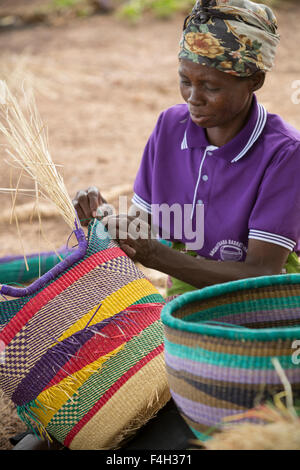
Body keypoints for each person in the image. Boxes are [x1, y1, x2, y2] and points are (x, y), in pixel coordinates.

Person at [73, 0, 300, 300]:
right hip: (186, 297)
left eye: (211, 87)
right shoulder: (170, 127)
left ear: (254, 81)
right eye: (185, 81)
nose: (193, 98)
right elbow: (146, 225)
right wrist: (105, 222)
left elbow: (261, 273)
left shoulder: (284, 154)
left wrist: (155, 256)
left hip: (267, 310)